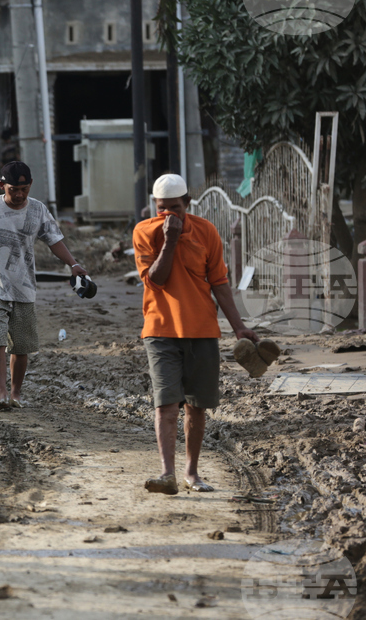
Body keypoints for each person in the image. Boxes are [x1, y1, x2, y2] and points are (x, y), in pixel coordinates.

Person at [133, 173, 259, 495]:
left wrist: (239, 327)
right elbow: (156, 280)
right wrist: (171, 240)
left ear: (188, 204)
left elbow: (219, 282)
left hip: (202, 330)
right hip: (160, 329)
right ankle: (167, 473)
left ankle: (191, 472)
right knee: (166, 405)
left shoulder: (206, 231)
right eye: (162, 209)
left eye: (175, 208)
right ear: (155, 206)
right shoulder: (145, 232)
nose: (168, 215)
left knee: (196, 406)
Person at [0, 161, 88, 410]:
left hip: (23, 286)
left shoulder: (38, 210)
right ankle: (1, 394)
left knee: (21, 345)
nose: (20, 194)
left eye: (24, 189)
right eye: (14, 189)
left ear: (30, 185)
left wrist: (73, 265)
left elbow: (54, 241)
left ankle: (16, 393)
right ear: (2, 186)